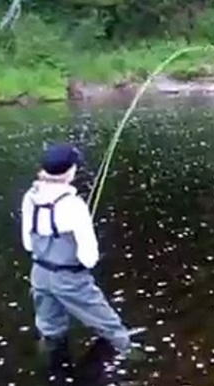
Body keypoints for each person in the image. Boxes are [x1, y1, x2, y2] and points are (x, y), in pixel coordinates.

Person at [20, 143, 136, 365]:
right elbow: (88, 257)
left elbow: (28, 242)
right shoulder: (73, 205)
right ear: (70, 171)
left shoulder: (29, 197)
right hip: (69, 278)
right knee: (108, 324)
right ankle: (130, 353)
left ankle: (50, 364)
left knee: (50, 327)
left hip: (40, 274)